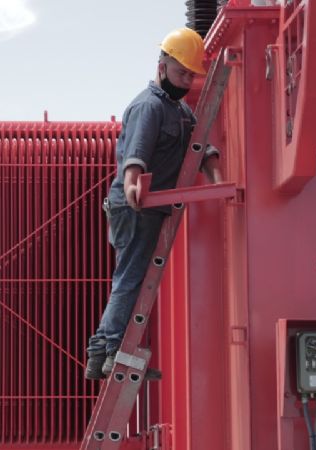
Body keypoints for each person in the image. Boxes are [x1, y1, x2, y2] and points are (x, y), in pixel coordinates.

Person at [85, 27, 222, 380]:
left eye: (191, 76)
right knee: (130, 279)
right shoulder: (149, 107)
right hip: (135, 205)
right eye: (181, 73)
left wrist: (216, 177)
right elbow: (136, 153)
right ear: (162, 66)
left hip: (150, 206)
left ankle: (102, 354)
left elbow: (198, 144)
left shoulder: (178, 111)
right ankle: (109, 351)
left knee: (131, 278)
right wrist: (133, 183)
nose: (186, 80)